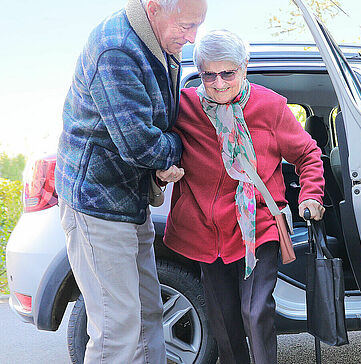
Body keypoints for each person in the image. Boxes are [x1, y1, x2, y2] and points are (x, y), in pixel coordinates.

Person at [55, 0, 206, 362]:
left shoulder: (160, 39)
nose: (192, 37)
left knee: (147, 314)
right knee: (118, 331)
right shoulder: (117, 49)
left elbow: (156, 127)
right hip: (98, 205)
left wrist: (163, 154)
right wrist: (177, 149)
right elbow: (140, 144)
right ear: (154, 7)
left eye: (197, 25)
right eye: (186, 26)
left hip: (129, 199)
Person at [163, 30, 325, 364]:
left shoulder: (271, 107)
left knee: (254, 311)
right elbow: (162, 146)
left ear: (245, 67)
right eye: (209, 75)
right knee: (223, 322)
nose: (218, 83)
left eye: (227, 73)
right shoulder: (184, 107)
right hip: (208, 230)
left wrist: (311, 194)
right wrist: (162, 169)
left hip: (259, 224)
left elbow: (308, 154)